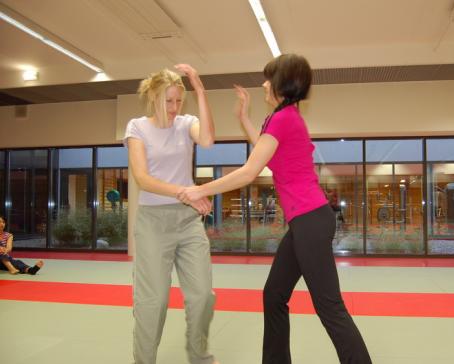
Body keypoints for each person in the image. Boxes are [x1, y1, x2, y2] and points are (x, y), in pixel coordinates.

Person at [178, 54, 372, 364]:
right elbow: (266, 151)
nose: (264, 84)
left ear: (283, 84)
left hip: (310, 220)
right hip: (304, 222)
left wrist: (197, 190)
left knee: (329, 307)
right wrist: (244, 117)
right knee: (274, 295)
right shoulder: (284, 117)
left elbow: (249, 171)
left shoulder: (284, 119)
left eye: (269, 78)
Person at [124, 65, 219, 364]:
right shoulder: (137, 127)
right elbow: (143, 178)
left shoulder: (186, 123)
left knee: (203, 295)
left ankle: (198, 354)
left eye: (179, 100)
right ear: (153, 97)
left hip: (188, 220)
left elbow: (207, 140)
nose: (175, 107)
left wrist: (200, 90)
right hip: (153, 221)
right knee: (154, 302)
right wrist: (187, 192)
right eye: (169, 101)